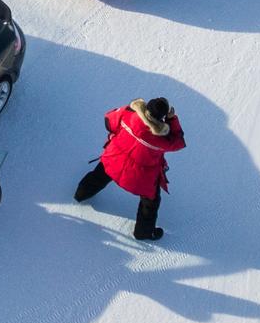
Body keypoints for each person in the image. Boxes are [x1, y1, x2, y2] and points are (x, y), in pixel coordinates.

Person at [75, 97, 185, 241]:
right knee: (150, 203)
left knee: (98, 176)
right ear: (161, 117)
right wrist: (172, 119)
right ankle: (143, 233)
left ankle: (81, 194)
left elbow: (109, 120)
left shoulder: (128, 115)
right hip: (140, 179)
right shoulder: (162, 140)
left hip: (113, 160)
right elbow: (179, 142)